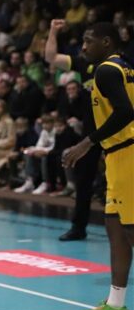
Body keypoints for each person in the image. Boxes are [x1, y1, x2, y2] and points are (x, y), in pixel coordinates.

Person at [63, 22, 134, 310]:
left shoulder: (107, 70)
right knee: (115, 229)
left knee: (130, 230)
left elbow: (126, 111)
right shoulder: (122, 67)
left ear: (106, 42)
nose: (83, 46)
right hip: (118, 155)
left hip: (128, 154)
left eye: (88, 41)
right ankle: (115, 305)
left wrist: (86, 143)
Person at [45, 18, 100, 241]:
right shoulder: (84, 64)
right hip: (91, 135)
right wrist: (53, 32)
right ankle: (79, 227)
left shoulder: (119, 67)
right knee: (83, 181)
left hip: (119, 132)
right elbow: (51, 57)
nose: (84, 47)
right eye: (83, 42)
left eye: (89, 42)